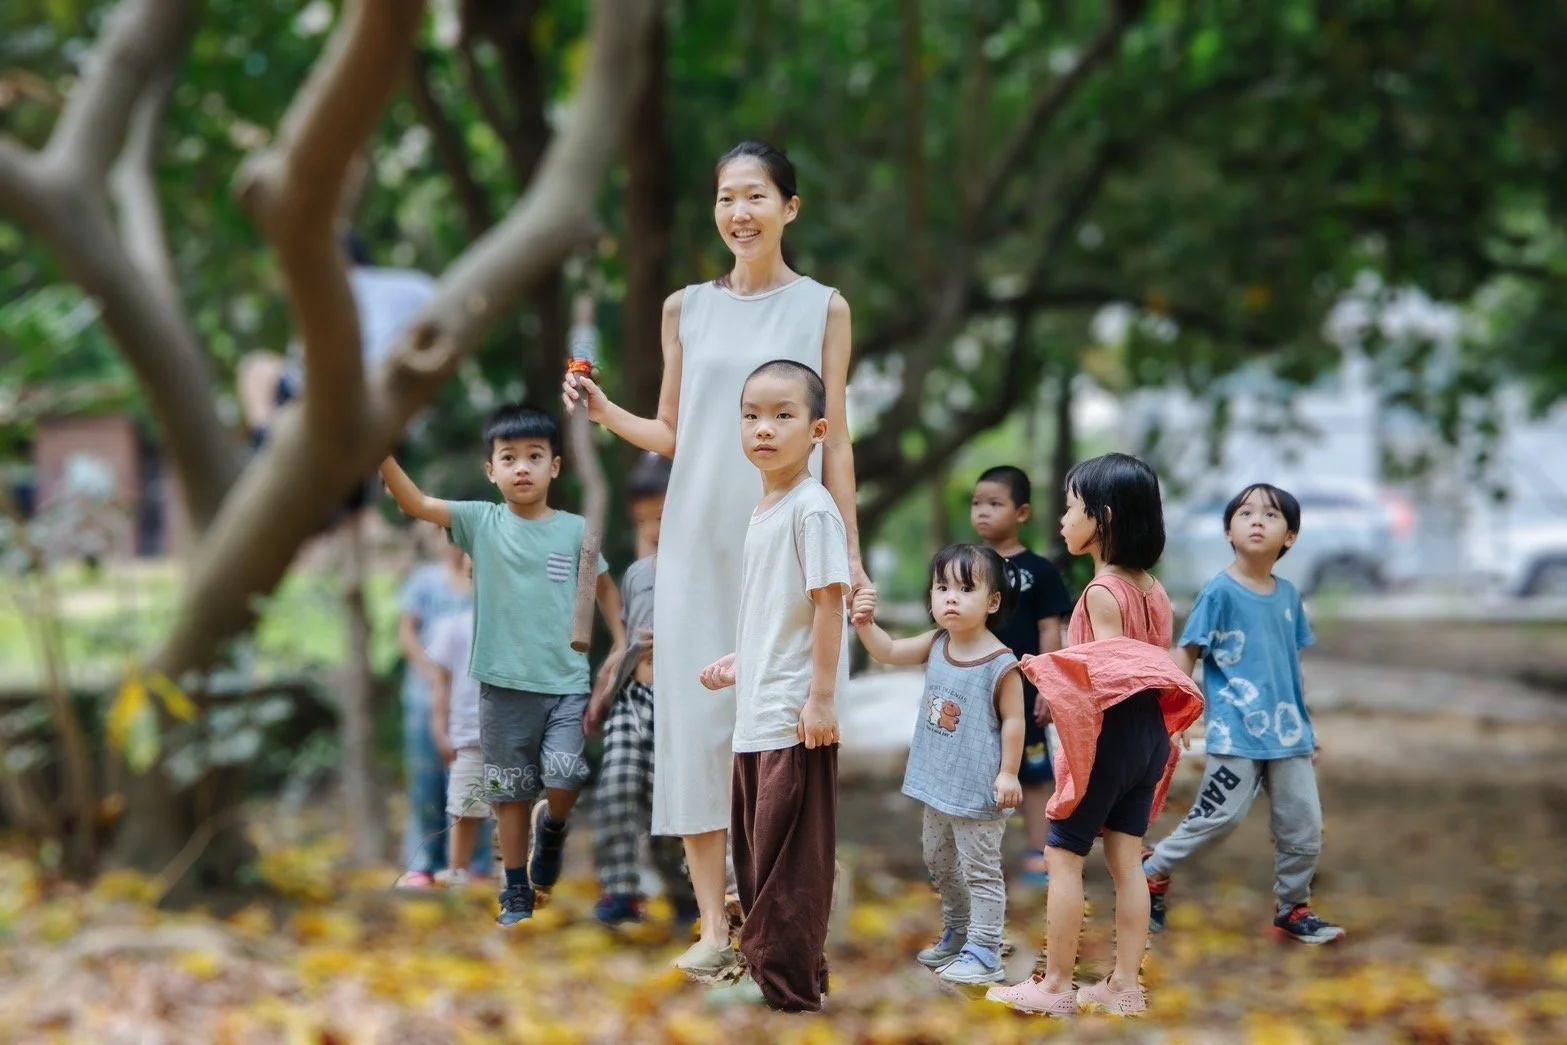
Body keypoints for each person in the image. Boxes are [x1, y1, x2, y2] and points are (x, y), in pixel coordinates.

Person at [563, 141, 873, 981]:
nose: (740, 212)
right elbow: (674, 431)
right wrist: (604, 411)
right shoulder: (684, 309)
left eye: (756, 196)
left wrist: (850, 553)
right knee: (697, 726)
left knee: (788, 727)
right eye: (727, 197)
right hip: (696, 538)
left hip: (792, 540)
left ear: (789, 208)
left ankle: (781, 923)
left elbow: (837, 440)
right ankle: (710, 925)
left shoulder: (824, 308)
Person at [379, 403, 626, 926]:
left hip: (565, 683)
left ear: (555, 466)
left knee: (567, 775)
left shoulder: (576, 530)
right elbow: (415, 501)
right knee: (510, 793)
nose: (522, 468)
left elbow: (603, 587)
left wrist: (621, 642)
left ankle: (552, 829)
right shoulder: (480, 522)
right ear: (491, 470)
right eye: (508, 458)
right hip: (502, 687)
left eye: (534, 456)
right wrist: (379, 451)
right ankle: (515, 890)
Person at [988, 453, 1202, 1018]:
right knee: (1127, 860)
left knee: (1062, 854)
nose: (1063, 520)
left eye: (1070, 508)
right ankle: (1123, 987)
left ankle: (1056, 986)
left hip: (1112, 735)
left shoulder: (1101, 593)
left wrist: (1047, 672)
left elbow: (1111, 674)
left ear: (1102, 518)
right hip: (1148, 737)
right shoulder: (1154, 591)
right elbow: (1155, 663)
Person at [696, 360, 849, 1011]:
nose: (764, 428)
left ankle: (787, 988)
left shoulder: (812, 509)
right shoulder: (767, 508)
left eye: (783, 415)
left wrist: (820, 699)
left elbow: (829, 605)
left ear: (816, 430)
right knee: (758, 856)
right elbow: (782, 612)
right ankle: (783, 976)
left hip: (793, 717)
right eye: (752, 415)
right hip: (757, 713)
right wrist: (744, 659)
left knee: (791, 864)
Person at [1144, 483, 1345, 945]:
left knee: (1304, 827)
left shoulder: (1289, 596)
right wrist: (1175, 715)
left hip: (1290, 736)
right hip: (1236, 731)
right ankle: (1152, 871)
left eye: (1271, 515)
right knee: (1219, 818)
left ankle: (1293, 908)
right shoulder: (1219, 592)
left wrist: (1307, 728)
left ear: (1290, 537)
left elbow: (1290, 667)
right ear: (1228, 531)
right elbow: (1187, 652)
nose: (1257, 520)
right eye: (1246, 513)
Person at [852, 544, 1026, 986]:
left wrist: (1008, 773)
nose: (951, 597)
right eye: (942, 587)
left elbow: (1014, 721)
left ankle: (985, 950)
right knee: (939, 861)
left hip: (978, 788)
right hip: (938, 782)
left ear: (993, 602)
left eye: (965, 589)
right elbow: (889, 651)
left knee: (980, 869)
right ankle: (959, 931)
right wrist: (866, 624)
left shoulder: (1001, 664)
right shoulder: (937, 643)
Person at [586, 451, 700, 928]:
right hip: (634, 698)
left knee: (666, 807)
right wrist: (606, 685)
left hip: (683, 705)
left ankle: (685, 896)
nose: (652, 530)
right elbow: (627, 640)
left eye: (661, 518)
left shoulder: (705, 572)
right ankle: (620, 890)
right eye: (641, 521)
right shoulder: (638, 574)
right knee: (615, 786)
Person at [970, 465, 1074, 887]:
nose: (983, 511)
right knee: (969, 768)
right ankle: (966, 854)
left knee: (1033, 772)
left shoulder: (1040, 571)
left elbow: (1050, 629)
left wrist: (1048, 685)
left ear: (1023, 513)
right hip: (974, 687)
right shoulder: (966, 565)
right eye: (977, 503)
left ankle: (1038, 851)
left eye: (995, 504)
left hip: (1025, 690)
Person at [393, 525, 474, 890]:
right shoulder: (425, 581)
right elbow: (407, 631)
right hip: (425, 695)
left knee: (471, 780)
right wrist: (432, 672)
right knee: (426, 779)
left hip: (472, 700)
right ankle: (423, 863)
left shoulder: (484, 583)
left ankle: (471, 865)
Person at [425, 554, 496, 887]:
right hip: (468, 735)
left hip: (513, 735)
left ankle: (510, 877)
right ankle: (458, 872)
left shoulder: (521, 630)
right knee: (464, 806)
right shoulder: (452, 628)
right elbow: (442, 684)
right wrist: (440, 729)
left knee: (512, 806)